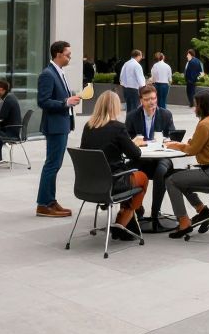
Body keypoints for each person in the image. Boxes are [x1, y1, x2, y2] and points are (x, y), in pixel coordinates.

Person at [164, 90, 209, 239]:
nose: (194, 108)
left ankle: (184, 223)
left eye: (196, 105)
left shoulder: (204, 124)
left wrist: (173, 145)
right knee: (176, 176)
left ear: (202, 106)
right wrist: (191, 143)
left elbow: (191, 150)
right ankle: (202, 211)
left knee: (171, 180)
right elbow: (202, 144)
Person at [79, 90, 150, 239]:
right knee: (142, 177)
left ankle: (127, 219)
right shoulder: (117, 127)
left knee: (128, 173)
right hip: (112, 183)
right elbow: (135, 154)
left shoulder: (88, 126)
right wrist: (132, 143)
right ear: (115, 107)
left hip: (88, 183)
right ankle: (123, 222)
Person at [36, 40, 80, 218]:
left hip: (62, 124)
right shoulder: (47, 74)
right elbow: (43, 101)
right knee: (52, 165)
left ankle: (50, 201)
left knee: (55, 164)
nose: (70, 57)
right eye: (68, 54)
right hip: (54, 126)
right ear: (58, 54)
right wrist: (65, 102)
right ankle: (44, 204)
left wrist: (70, 99)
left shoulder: (59, 72)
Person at [125, 84, 177, 231]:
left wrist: (167, 140)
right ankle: (136, 209)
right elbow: (126, 138)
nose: (152, 102)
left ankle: (155, 214)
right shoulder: (132, 116)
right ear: (141, 100)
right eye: (147, 99)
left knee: (161, 172)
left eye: (154, 98)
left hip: (162, 158)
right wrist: (135, 141)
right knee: (129, 171)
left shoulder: (166, 114)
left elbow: (172, 136)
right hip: (141, 158)